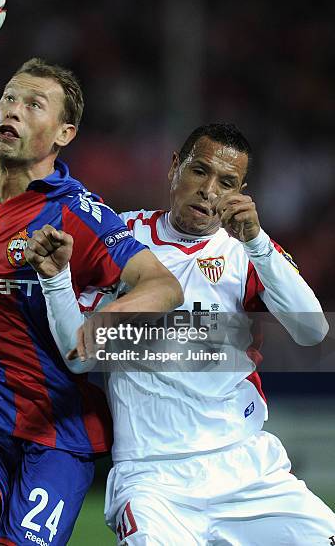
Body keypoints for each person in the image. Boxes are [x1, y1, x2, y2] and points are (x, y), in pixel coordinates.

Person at [0, 58, 182, 546]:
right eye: (9, 98)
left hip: (58, 431)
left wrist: (98, 330)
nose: (14, 111)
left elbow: (163, 286)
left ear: (63, 134)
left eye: (34, 105)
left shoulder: (77, 213)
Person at [27, 123, 335, 545]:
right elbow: (78, 355)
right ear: (174, 168)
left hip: (246, 467)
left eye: (226, 183)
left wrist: (258, 242)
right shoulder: (121, 239)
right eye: (199, 172)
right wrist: (57, 279)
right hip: (152, 477)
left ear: (240, 192)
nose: (209, 190)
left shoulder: (247, 252)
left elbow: (312, 330)